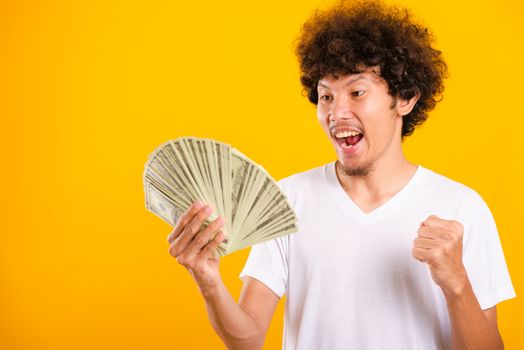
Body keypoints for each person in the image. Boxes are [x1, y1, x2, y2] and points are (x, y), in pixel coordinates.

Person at [166, 0, 516, 349]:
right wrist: (208, 279)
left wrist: (457, 284)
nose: (336, 112)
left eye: (357, 92)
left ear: (405, 98)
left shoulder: (461, 208)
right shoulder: (288, 201)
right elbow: (248, 340)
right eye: (325, 96)